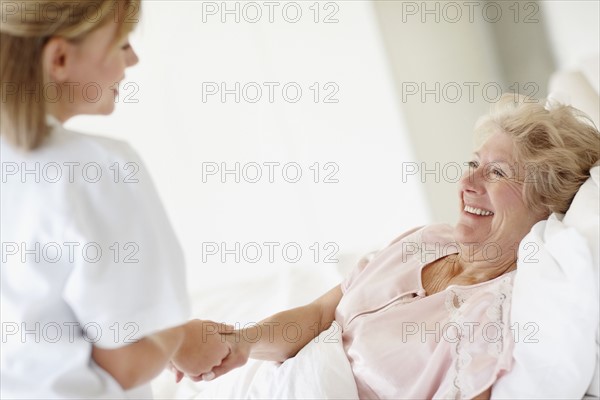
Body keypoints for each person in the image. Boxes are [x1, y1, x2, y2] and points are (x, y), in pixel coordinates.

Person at [199, 95, 600, 398]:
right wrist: (243, 342)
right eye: (471, 164)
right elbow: (322, 314)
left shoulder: (498, 310)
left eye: (496, 172)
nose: (467, 184)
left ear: (546, 202)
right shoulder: (426, 240)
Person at [0, 1, 229, 398]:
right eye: (122, 44)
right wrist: (181, 337)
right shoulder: (97, 168)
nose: (134, 58)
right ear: (59, 58)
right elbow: (125, 364)